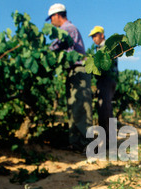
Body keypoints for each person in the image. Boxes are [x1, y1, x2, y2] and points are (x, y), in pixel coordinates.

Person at [47, 3, 92, 153]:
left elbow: (56, 46)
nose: (51, 22)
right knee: (73, 107)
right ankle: (76, 144)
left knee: (81, 106)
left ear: (57, 15)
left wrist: (43, 54)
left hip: (79, 70)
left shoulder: (67, 29)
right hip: (73, 71)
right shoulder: (67, 29)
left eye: (51, 19)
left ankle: (86, 145)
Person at [89, 26, 118, 148]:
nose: (94, 39)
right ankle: (106, 139)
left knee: (105, 108)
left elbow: (105, 65)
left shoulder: (106, 47)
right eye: (92, 37)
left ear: (101, 34)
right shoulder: (100, 48)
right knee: (103, 109)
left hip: (107, 79)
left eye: (95, 35)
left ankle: (109, 141)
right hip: (104, 80)